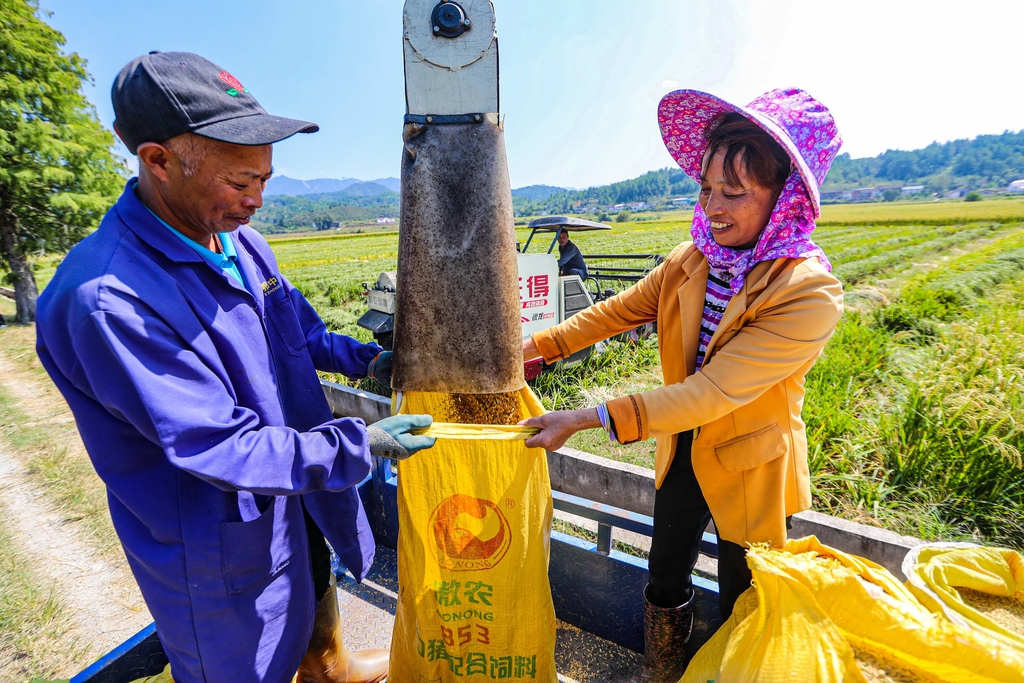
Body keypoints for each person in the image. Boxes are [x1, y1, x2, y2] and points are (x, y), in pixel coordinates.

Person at [35, 52, 436, 683]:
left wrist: (370, 361)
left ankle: (330, 667)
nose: (256, 200)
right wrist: (360, 442)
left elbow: (296, 331)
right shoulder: (109, 301)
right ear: (158, 160)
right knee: (246, 657)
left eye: (265, 179)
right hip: (214, 531)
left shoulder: (237, 239)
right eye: (238, 182)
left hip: (293, 483)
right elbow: (219, 444)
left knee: (309, 581)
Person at [521, 88, 844, 682]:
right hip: (682, 450)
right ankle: (663, 669)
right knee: (664, 573)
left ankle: (731, 673)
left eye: (735, 192)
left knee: (742, 590)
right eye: (707, 189)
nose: (715, 206)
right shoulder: (690, 258)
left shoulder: (806, 292)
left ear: (784, 198)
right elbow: (618, 311)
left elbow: (713, 391)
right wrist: (538, 347)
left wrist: (589, 417)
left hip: (750, 467)